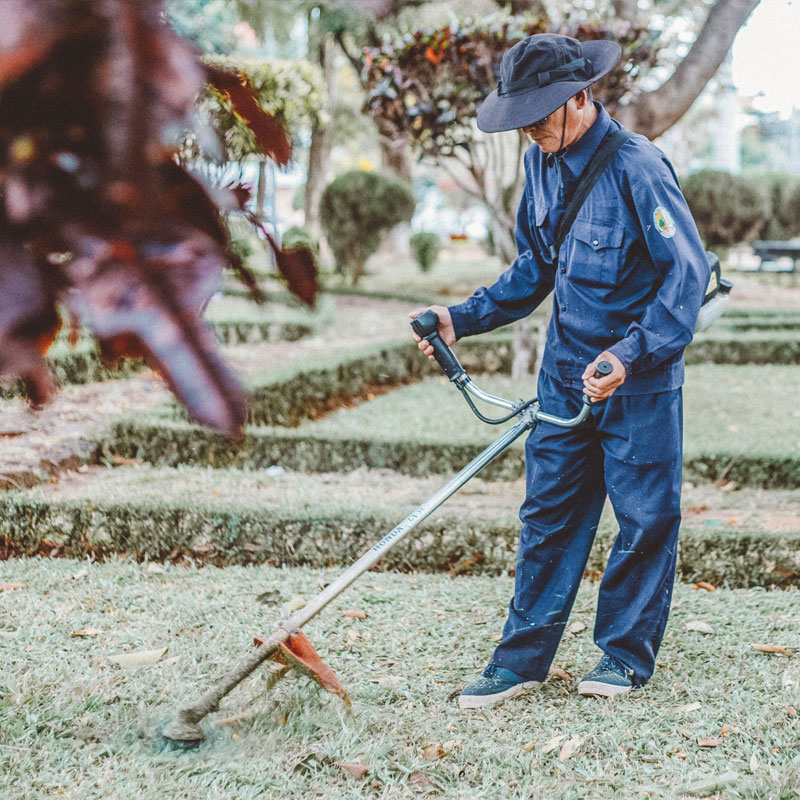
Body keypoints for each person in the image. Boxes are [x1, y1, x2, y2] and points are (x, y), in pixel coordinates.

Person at [410, 33, 709, 708]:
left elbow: (685, 279)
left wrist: (628, 357)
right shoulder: (538, 164)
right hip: (565, 375)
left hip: (639, 380)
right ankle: (520, 662)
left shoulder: (639, 166)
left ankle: (624, 658)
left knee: (643, 520)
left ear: (581, 98)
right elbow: (533, 268)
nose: (532, 128)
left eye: (541, 113)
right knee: (547, 518)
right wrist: (463, 317)